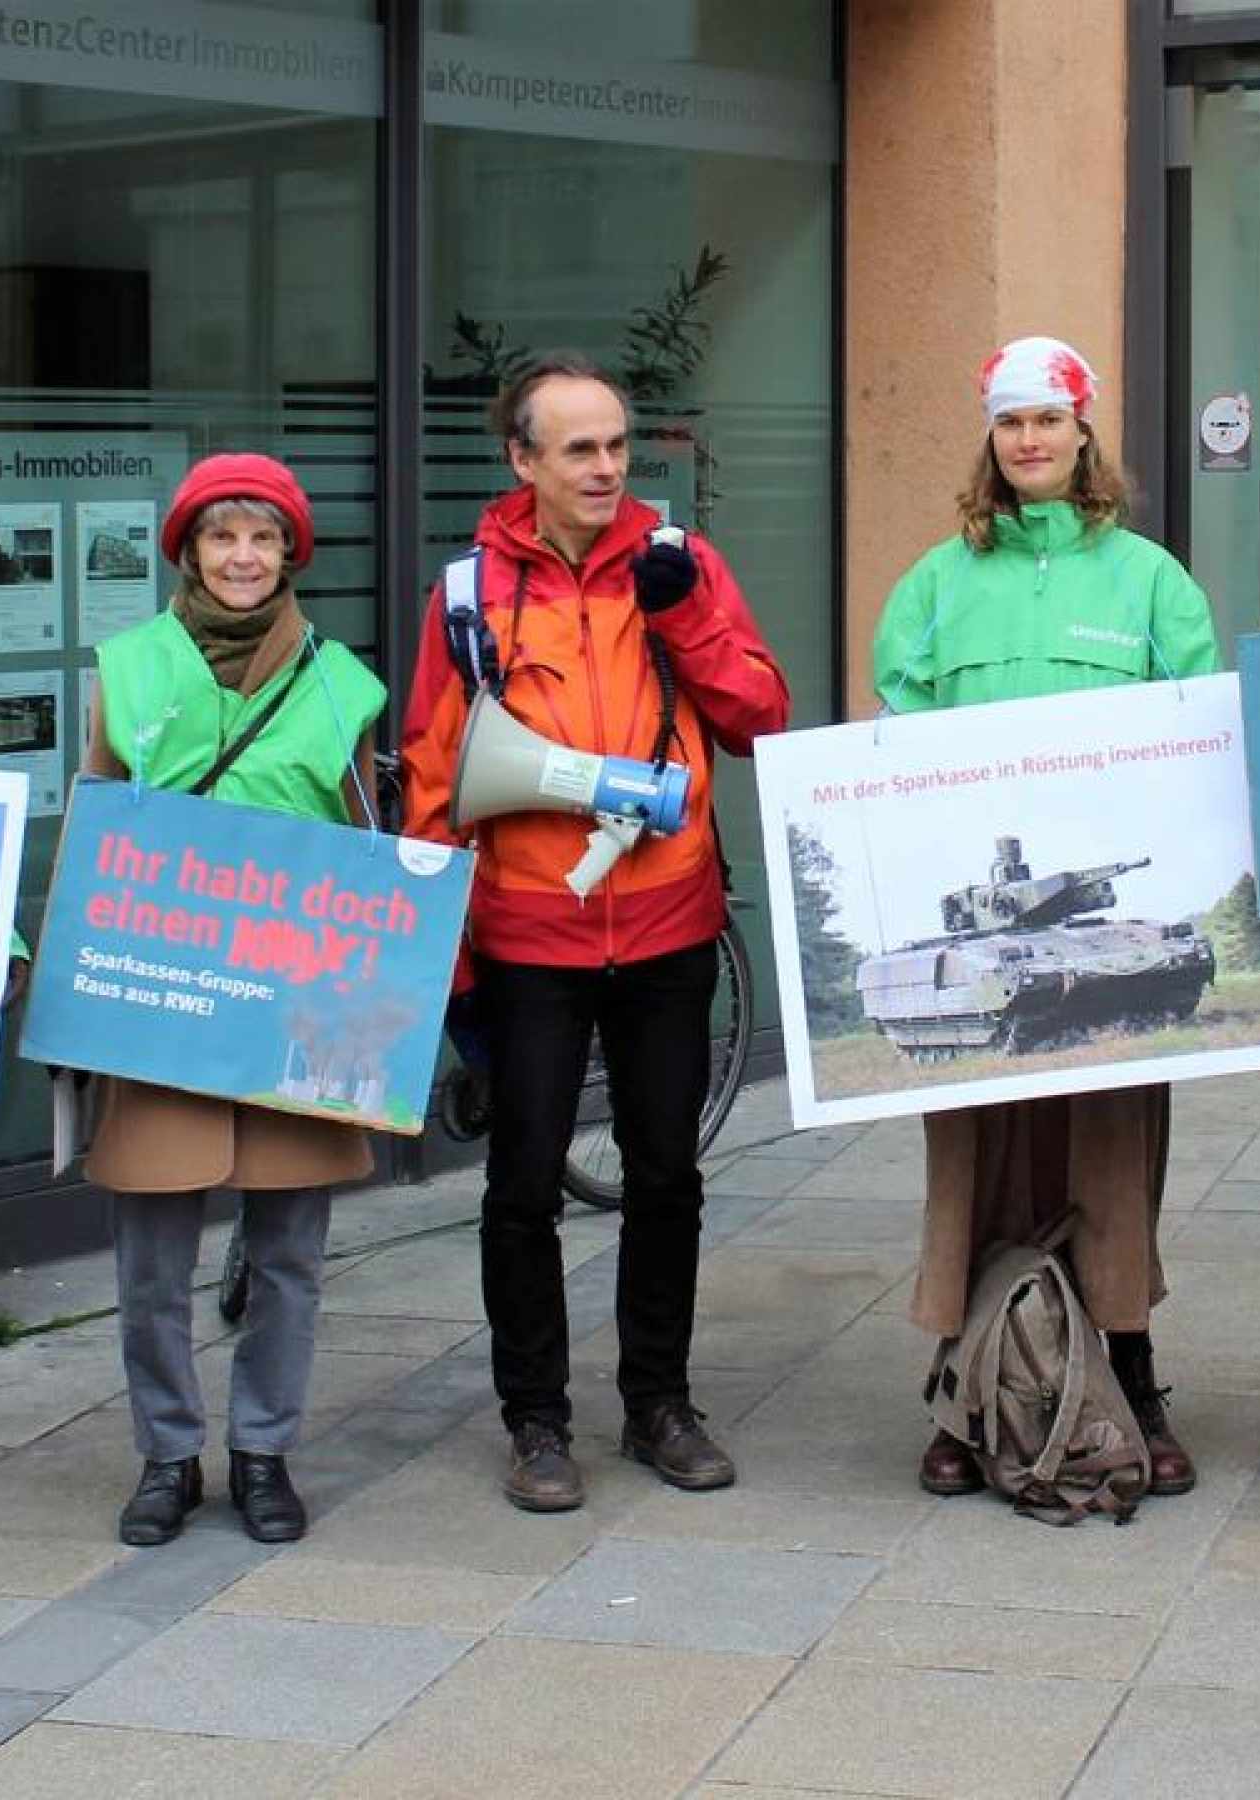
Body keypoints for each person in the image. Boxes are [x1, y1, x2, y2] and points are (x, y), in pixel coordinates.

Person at [403, 353, 790, 1514]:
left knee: (665, 1175)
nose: (607, 468)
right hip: (529, 935)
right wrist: (451, 948)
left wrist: (689, 623)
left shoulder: (679, 567)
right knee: (520, 1186)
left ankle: (658, 1404)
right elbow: (436, 772)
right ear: (521, 461)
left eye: (618, 445)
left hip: (668, 925)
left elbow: (757, 712)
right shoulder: (469, 595)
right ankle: (535, 1420)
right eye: (579, 448)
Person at [873, 336, 1221, 1499]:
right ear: (991, 437)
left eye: (1048, 420)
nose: (1028, 440)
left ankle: (1128, 1373)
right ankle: (964, 1392)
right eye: (1009, 422)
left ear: (1083, 434)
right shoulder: (934, 583)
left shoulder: (1150, 581)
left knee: (1110, 1161)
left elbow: (1193, 733)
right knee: (974, 1168)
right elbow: (891, 730)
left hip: (1090, 924)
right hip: (980, 928)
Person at [83, 454, 384, 1548]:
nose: (244, 557)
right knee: (151, 1265)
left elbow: (364, 849)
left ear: (290, 551)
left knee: (291, 1258)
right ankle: (167, 1455)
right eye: (222, 537)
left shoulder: (343, 683)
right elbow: (97, 832)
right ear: (188, 551)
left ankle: (263, 1450)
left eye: (263, 537)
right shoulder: (126, 669)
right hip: (164, 1001)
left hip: (296, 1008)